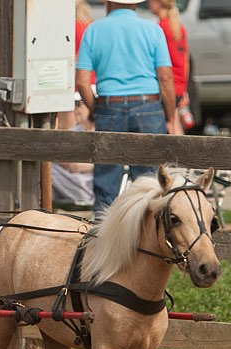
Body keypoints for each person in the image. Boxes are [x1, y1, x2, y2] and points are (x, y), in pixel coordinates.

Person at [76, 0, 176, 214]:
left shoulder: (93, 29)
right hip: (148, 105)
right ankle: (147, 238)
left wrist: (96, 110)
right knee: (149, 185)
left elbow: (82, 82)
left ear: (108, 3)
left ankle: (101, 237)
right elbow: (166, 77)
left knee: (106, 182)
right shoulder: (152, 29)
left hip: (109, 105)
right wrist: (170, 115)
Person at [150, 0, 190, 135]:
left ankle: (178, 155)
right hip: (179, 85)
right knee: (175, 123)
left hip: (166, 85)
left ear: (159, 3)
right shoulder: (178, 28)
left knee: (171, 126)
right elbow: (185, 61)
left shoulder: (160, 28)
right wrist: (184, 88)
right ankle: (182, 155)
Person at [52, 93, 95, 206]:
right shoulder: (74, 131)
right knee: (47, 168)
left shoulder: (106, 129)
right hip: (72, 181)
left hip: (92, 185)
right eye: (74, 105)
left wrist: (84, 166)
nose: (76, 111)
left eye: (79, 104)